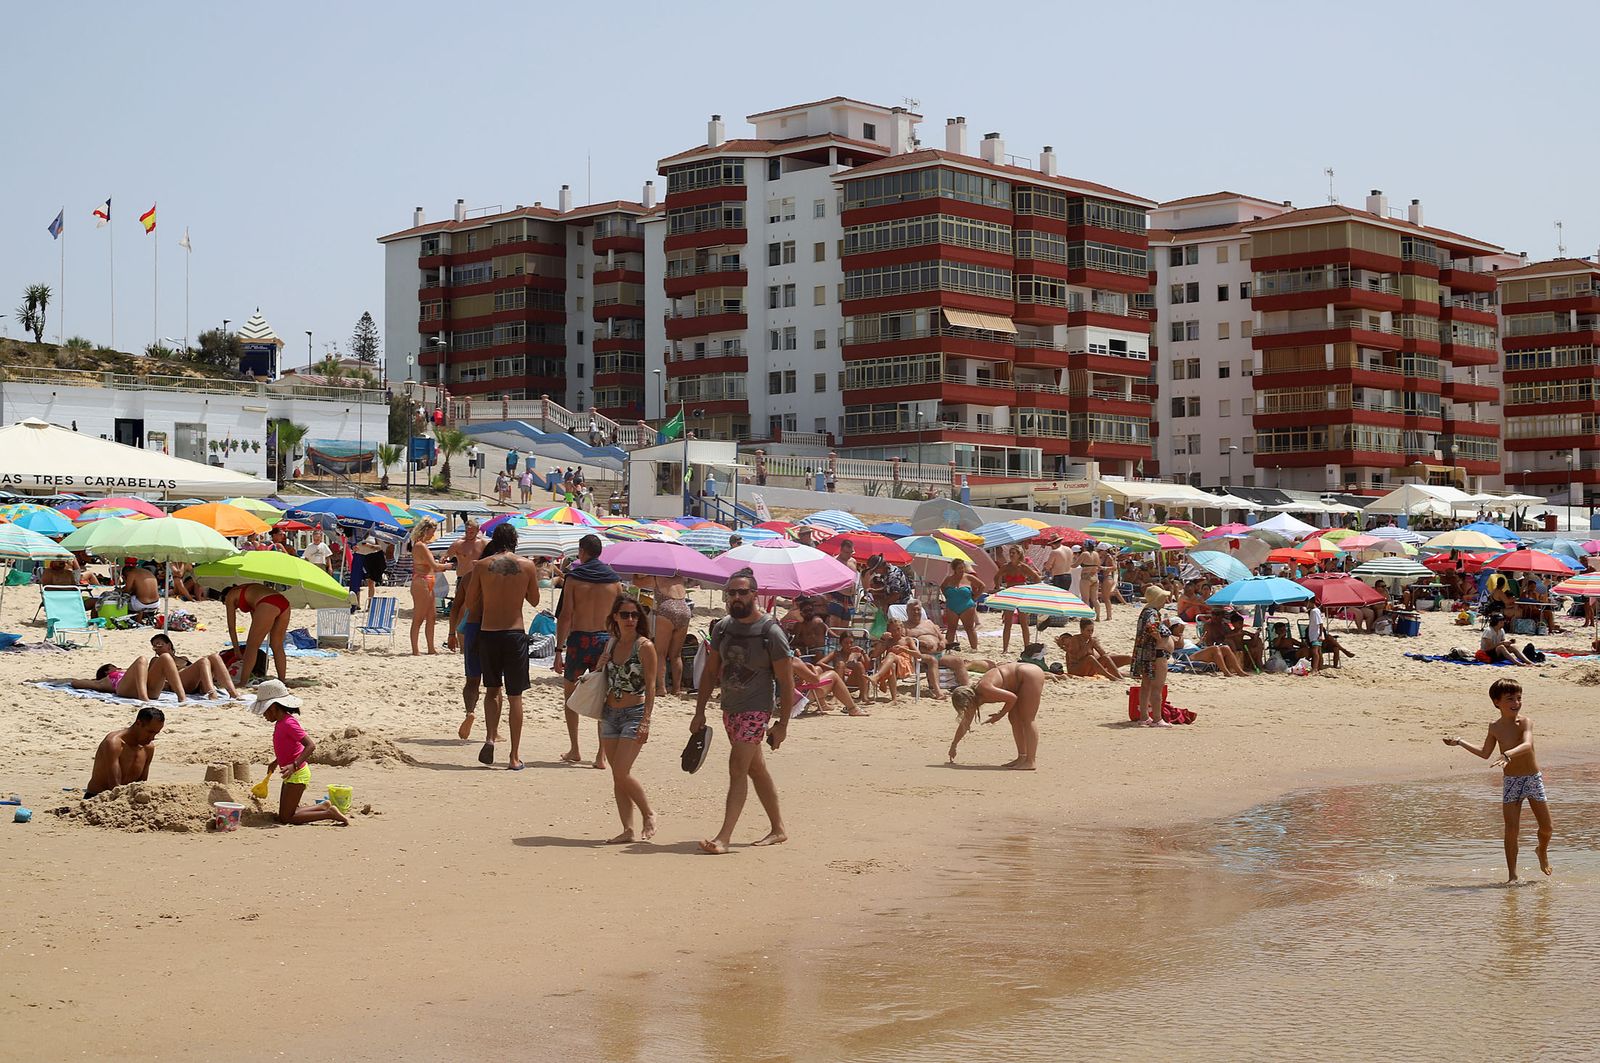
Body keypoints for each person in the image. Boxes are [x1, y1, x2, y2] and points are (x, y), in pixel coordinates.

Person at [692, 568, 794, 854]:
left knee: (737, 767)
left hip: (756, 710)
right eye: (731, 592)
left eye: (742, 592)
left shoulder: (771, 632)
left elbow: (786, 681)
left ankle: (723, 837)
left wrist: (782, 724)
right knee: (755, 768)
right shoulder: (723, 627)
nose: (736, 597)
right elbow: (711, 671)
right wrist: (699, 712)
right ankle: (778, 829)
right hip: (730, 708)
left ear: (754, 594)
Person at [1444, 678, 1552, 881]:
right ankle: (1512, 876)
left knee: (1547, 828)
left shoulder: (1525, 722)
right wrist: (1460, 742)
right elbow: (1485, 753)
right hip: (1511, 781)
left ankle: (1541, 851)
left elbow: (1527, 745)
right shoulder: (1494, 727)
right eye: (1510, 699)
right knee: (1511, 830)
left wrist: (1507, 754)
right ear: (1497, 702)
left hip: (1532, 779)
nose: (1516, 703)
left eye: (1519, 698)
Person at [460, 523, 541, 770]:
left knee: (492, 690)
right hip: (514, 633)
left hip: (489, 632)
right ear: (515, 541)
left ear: (494, 541)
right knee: (515, 697)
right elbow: (535, 600)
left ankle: (490, 738)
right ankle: (514, 756)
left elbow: (471, 603)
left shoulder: (482, 566)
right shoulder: (527, 565)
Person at [595, 594, 658, 843]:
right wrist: (600, 665)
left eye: (635, 615)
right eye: (625, 615)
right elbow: (601, 679)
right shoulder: (611, 644)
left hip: (634, 713)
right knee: (617, 775)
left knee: (622, 772)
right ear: (615, 618)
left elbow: (652, 686)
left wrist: (646, 720)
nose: (630, 619)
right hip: (609, 714)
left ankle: (648, 813)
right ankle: (628, 829)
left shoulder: (645, 647)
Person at [556, 535, 623, 767]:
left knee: (570, 696)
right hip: (604, 641)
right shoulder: (614, 582)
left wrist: (558, 649)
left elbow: (565, 616)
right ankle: (600, 755)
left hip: (578, 640)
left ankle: (575, 749)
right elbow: (619, 618)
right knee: (603, 698)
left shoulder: (574, 578)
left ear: (582, 551)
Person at [254, 680, 349, 826]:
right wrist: (276, 762)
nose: (264, 716)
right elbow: (288, 748)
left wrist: (294, 765)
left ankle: (329, 813)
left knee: (286, 818)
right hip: (291, 773)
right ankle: (322, 806)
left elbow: (310, 746)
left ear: (273, 708)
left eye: (264, 711)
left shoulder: (288, 723)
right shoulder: (280, 723)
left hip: (298, 773)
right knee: (286, 813)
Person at [947, 661, 1047, 768]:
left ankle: (1030, 761)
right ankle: (1022, 757)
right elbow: (965, 723)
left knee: (1027, 719)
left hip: (1028, 674)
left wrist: (999, 715)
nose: (967, 710)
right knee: (1013, 718)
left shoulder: (984, 688)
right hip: (1018, 680)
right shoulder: (974, 698)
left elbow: (1012, 698)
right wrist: (954, 745)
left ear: (968, 700)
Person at [84, 708, 165, 799]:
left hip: (126, 799)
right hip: (97, 798)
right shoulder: (114, 743)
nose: (152, 738)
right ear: (138, 723)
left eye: (156, 733)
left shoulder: (148, 748)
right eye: (150, 732)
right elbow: (114, 786)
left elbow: (141, 784)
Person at [220, 584, 292, 684]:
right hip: (283, 603)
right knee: (277, 646)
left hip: (268, 602)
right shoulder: (249, 592)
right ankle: (282, 680)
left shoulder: (230, 596)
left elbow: (231, 627)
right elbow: (256, 619)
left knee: (251, 646)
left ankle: (243, 682)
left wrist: (237, 650)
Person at [636, 572, 691, 696]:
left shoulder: (656, 576)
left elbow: (637, 583)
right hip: (684, 609)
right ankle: (676, 688)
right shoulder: (679, 577)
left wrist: (636, 573)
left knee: (660, 653)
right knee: (676, 654)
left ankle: (661, 688)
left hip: (667, 608)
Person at [1130, 585, 1173, 727]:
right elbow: (1152, 628)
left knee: (1146, 686)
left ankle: (1144, 717)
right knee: (1156, 687)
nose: (1165, 600)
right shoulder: (1153, 613)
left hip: (1145, 654)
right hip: (1156, 654)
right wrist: (1161, 640)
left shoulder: (1145, 612)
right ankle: (1157, 718)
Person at [149, 633, 240, 699]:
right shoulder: (156, 660)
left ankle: (233, 693)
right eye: (154, 647)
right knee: (203, 661)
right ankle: (212, 694)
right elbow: (152, 681)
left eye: (159, 644)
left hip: (198, 685)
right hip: (178, 685)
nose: (156, 648)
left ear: (169, 645)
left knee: (214, 657)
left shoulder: (183, 658)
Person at [443, 518, 485, 654]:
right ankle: (461, 645)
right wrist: (444, 560)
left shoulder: (483, 543)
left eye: (472, 531)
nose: (469, 533)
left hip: (478, 579)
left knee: (477, 611)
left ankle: (475, 643)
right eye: (467, 531)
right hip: (462, 579)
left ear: (477, 531)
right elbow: (446, 556)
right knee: (460, 610)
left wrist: (480, 562)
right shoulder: (458, 544)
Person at [72, 657, 187, 703]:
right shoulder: (107, 679)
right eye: (113, 666)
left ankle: (182, 698)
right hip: (126, 690)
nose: (117, 667)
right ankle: (143, 698)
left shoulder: (128, 672)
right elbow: (76, 683)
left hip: (149, 689)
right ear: (107, 671)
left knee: (165, 657)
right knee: (142, 660)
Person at [996, 545, 1040, 653]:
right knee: (1007, 623)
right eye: (1010, 553)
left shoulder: (1023, 567)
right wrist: (998, 587)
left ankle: (1026, 648)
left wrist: (1033, 589)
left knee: (1024, 623)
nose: (1011, 555)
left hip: (1021, 594)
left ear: (1019, 554)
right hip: (1010, 594)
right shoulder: (1006, 566)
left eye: (1013, 553)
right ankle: (1005, 649)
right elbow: (996, 576)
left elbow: (1036, 577)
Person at [1056, 618, 1130, 680]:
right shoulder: (1075, 639)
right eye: (1088, 631)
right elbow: (1078, 657)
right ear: (1082, 630)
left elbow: (1103, 654)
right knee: (1090, 658)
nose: (1090, 633)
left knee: (1106, 657)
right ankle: (1110, 676)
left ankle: (1119, 677)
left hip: (1088, 669)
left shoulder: (1091, 640)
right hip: (1075, 669)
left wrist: (1097, 644)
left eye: (1092, 630)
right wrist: (1088, 645)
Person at [409, 519, 442, 655]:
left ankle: (430, 648)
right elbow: (435, 566)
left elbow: (431, 564)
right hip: (421, 581)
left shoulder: (423, 545)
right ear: (425, 530)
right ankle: (415, 650)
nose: (432, 535)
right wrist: (449, 565)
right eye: (432, 531)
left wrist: (440, 563)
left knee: (431, 616)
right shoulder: (420, 545)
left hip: (428, 580)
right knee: (419, 617)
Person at [869, 618, 922, 702]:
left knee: (890, 655)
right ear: (888, 631)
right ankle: (894, 699)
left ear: (902, 628)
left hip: (905, 665)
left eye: (898, 629)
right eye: (893, 630)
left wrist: (904, 650)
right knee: (892, 666)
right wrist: (882, 639)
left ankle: (878, 677)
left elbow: (919, 655)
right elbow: (875, 655)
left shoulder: (907, 640)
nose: (896, 632)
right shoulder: (887, 641)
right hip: (890, 665)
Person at [1169, 621, 1247, 677]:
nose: (1183, 627)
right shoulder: (1171, 637)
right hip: (1188, 656)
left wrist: (1200, 642)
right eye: (1181, 625)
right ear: (1175, 626)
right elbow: (1179, 646)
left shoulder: (1182, 638)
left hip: (1197, 652)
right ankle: (1226, 672)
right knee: (1215, 648)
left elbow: (1191, 646)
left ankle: (1240, 671)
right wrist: (1181, 634)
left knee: (1225, 648)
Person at [940, 558, 986, 651]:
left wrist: (975, 597)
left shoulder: (968, 577)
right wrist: (948, 596)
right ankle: (948, 648)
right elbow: (942, 587)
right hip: (952, 606)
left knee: (969, 628)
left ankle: (974, 648)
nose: (961, 570)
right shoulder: (949, 579)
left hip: (967, 606)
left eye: (962, 568)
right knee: (951, 628)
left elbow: (982, 586)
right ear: (954, 569)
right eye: (959, 568)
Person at [817, 633, 871, 707]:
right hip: (838, 681)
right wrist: (835, 669)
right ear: (841, 643)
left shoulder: (857, 654)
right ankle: (836, 697)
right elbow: (819, 663)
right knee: (841, 664)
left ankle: (864, 697)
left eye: (851, 643)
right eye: (846, 643)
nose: (849, 645)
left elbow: (868, 666)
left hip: (852, 681)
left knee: (859, 664)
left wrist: (863, 652)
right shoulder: (836, 653)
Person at [352, 534, 388, 609]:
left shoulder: (374, 534)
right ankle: (357, 604)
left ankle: (370, 604)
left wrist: (369, 546)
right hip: (359, 556)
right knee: (357, 580)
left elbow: (380, 547)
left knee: (371, 582)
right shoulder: (357, 533)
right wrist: (353, 548)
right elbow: (350, 545)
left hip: (372, 557)